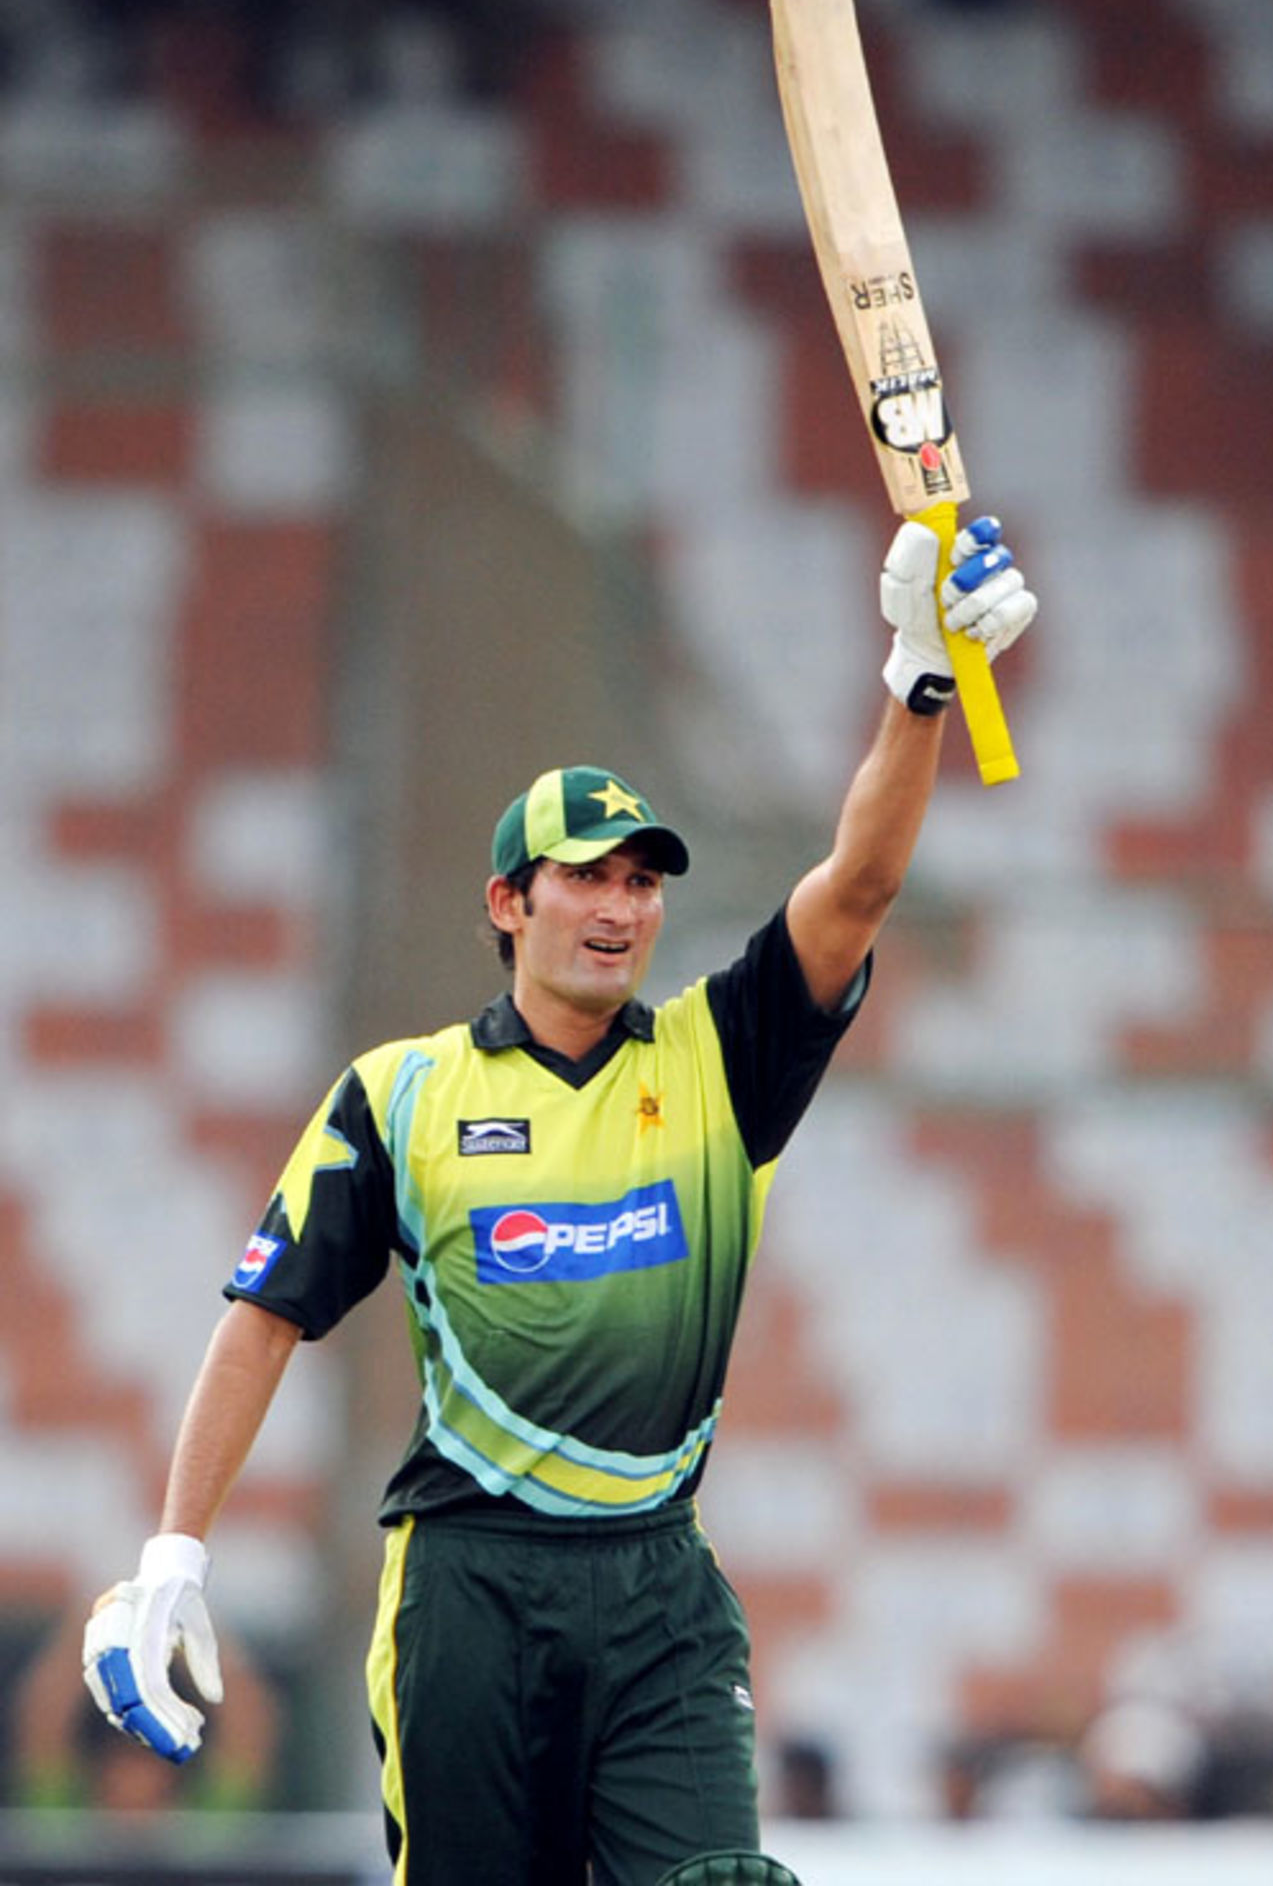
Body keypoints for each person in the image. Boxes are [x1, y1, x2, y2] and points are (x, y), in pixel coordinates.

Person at [83, 515, 1036, 1884]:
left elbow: (862, 883)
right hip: (470, 1585)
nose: (621, 906)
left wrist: (918, 682)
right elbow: (265, 1316)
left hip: (659, 1590)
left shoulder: (721, 1057)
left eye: (641, 881)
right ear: (508, 902)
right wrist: (175, 1553)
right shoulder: (402, 1095)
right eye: (586, 874)